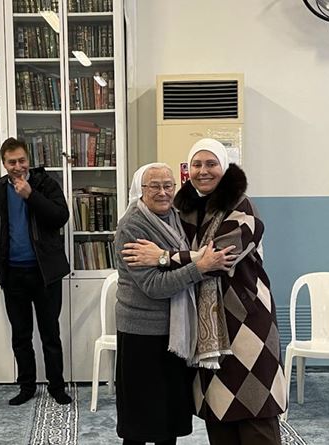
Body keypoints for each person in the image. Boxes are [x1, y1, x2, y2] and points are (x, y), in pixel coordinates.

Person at [122, 139, 287, 445]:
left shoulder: (243, 205)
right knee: (219, 413)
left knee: (255, 413)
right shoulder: (184, 210)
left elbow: (222, 256)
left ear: (224, 168)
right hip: (208, 327)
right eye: (196, 165)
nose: (203, 171)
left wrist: (161, 257)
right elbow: (196, 257)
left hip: (247, 323)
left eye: (211, 164)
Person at [114, 163, 236, 445]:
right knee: (140, 422)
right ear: (139, 190)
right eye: (154, 186)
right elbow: (154, 286)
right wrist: (200, 267)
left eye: (168, 185)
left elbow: (180, 256)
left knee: (167, 419)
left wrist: (175, 259)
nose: (163, 192)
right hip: (141, 333)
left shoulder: (177, 217)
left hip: (175, 332)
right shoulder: (132, 225)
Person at [0, 137, 71, 406]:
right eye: (12, 162)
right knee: (21, 335)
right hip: (13, 274)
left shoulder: (45, 184)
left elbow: (60, 217)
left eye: (22, 160)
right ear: (4, 164)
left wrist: (31, 195)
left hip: (45, 274)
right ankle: (27, 386)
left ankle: (57, 386)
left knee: (49, 334)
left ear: (28, 160)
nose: (18, 166)